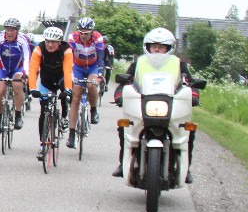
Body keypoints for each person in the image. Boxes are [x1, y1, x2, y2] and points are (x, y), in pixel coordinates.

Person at [112, 27, 199, 181]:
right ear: (148, 47)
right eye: (154, 46)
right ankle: (122, 163)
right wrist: (120, 96)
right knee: (125, 127)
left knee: (188, 131)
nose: (157, 50)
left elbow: (190, 83)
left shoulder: (179, 65)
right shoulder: (138, 64)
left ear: (169, 48)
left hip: (170, 104)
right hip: (143, 103)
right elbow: (125, 81)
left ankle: (186, 169)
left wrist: (193, 95)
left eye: (161, 47)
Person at [28, 26, 74, 161]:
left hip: (61, 78)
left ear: (59, 42)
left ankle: (64, 117)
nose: (49, 44)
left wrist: (68, 89)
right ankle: (42, 145)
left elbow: (68, 71)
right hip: (46, 80)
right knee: (44, 111)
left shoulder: (66, 50)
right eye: (47, 41)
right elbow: (33, 69)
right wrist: (32, 88)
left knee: (66, 96)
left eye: (53, 42)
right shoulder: (39, 49)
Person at [0, 18, 30, 133]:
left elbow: (27, 57)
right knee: (0, 91)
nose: (9, 33)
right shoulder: (0, 38)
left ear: (17, 31)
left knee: (17, 86)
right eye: (8, 30)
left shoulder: (22, 39)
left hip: (17, 67)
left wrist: (25, 74)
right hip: (3, 68)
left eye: (12, 30)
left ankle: (18, 115)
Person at [66, 16, 106, 148]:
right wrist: (69, 75)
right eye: (81, 33)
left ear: (92, 32)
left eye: (86, 33)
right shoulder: (73, 38)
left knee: (91, 85)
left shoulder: (98, 38)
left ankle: (93, 110)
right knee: (76, 96)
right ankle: (72, 134)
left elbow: (101, 59)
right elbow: (68, 57)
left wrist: (100, 76)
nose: (83, 36)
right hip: (78, 67)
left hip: (93, 67)